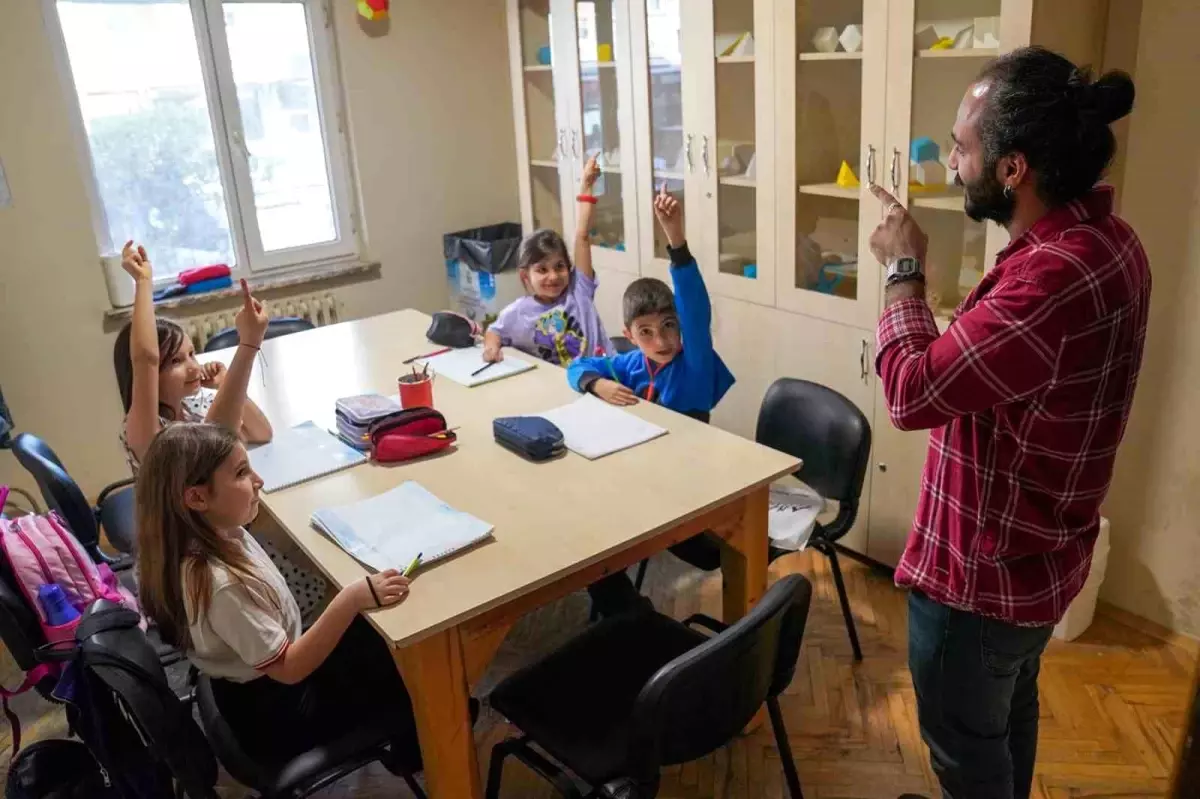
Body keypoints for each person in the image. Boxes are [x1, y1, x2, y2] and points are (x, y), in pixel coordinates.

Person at [868, 47, 1148, 799]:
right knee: (1008, 708)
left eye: (962, 146)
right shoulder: (1112, 245)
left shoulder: (1049, 277)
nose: (953, 161)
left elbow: (910, 391)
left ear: (1013, 167)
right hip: (1043, 558)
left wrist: (901, 271)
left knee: (965, 746)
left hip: (980, 583)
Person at [135, 422, 420, 766]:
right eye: (242, 473)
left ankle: (411, 729)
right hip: (280, 716)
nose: (259, 481)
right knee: (391, 646)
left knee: (370, 636)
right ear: (196, 498)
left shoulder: (204, 536)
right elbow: (289, 668)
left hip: (253, 685)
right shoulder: (221, 585)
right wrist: (350, 599)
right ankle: (423, 739)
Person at [113, 241, 326, 619]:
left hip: (224, 541)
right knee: (316, 577)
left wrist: (232, 369)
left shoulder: (192, 410)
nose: (193, 366)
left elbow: (257, 432)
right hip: (196, 569)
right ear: (146, 379)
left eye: (192, 354)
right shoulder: (146, 433)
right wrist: (143, 283)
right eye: (176, 361)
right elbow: (144, 357)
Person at [566, 185, 734, 422]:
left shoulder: (695, 364)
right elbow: (576, 368)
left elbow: (694, 309)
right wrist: (597, 384)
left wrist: (675, 237)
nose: (661, 341)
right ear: (630, 336)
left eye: (668, 325)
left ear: (680, 325)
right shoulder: (631, 364)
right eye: (645, 332)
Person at [482, 154, 613, 366]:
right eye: (542, 270)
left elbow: (582, 235)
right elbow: (494, 332)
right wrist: (491, 348)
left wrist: (586, 186)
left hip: (605, 376)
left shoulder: (578, 291)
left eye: (560, 267)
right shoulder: (518, 313)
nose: (553, 276)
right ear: (525, 275)